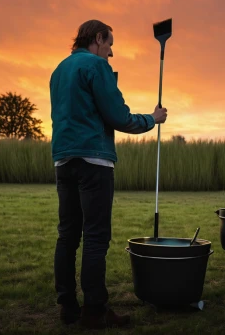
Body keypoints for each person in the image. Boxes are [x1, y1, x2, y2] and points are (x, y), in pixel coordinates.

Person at [50, 20, 168, 328]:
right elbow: (118, 116)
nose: (111, 52)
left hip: (63, 160)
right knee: (96, 236)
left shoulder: (58, 70)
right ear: (98, 38)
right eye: (110, 43)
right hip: (94, 161)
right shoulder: (95, 66)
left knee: (67, 235)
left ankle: (67, 306)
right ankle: (94, 309)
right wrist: (152, 119)